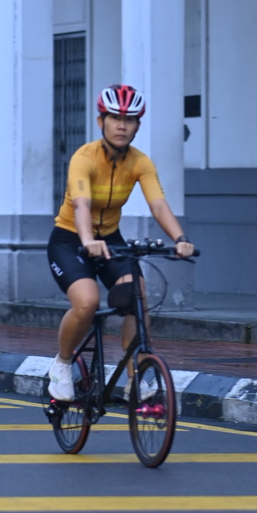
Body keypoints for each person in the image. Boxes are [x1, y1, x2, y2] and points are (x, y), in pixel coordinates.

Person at [47, 83, 194, 400]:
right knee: (87, 302)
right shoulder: (84, 158)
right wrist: (88, 239)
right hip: (70, 239)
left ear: (137, 126)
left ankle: (134, 379)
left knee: (136, 296)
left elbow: (158, 205)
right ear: (101, 121)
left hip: (111, 239)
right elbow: (81, 204)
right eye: (115, 118)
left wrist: (180, 239)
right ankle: (61, 364)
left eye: (130, 120)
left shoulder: (140, 162)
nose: (122, 126)